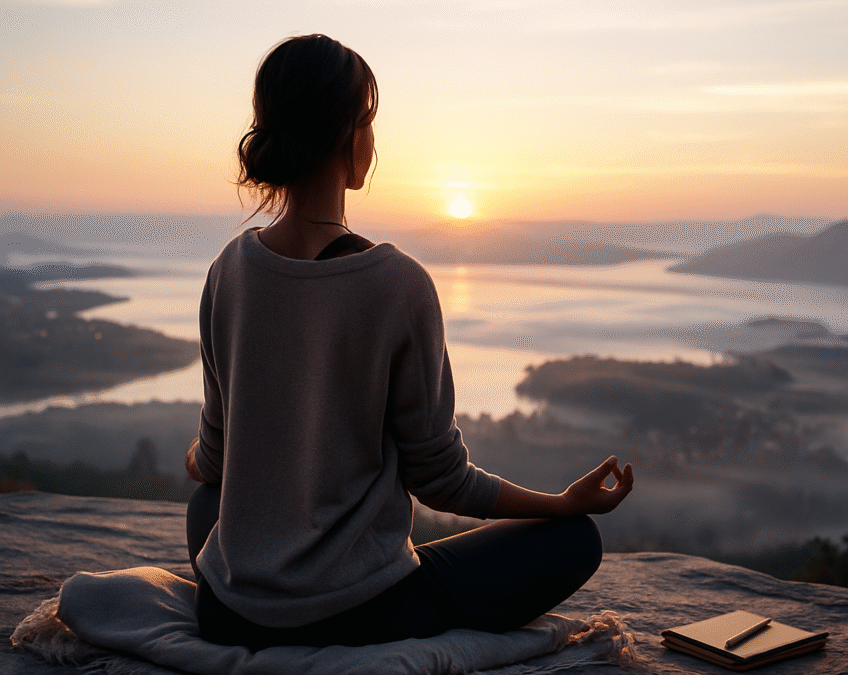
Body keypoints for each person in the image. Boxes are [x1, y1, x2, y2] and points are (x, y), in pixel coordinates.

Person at [184, 34, 633, 651]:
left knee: (208, 506)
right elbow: (442, 481)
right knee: (575, 542)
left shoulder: (227, 271)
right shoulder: (398, 285)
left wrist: (238, 471)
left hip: (229, 611)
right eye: (369, 122)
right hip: (358, 615)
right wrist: (558, 503)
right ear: (351, 138)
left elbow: (212, 461)